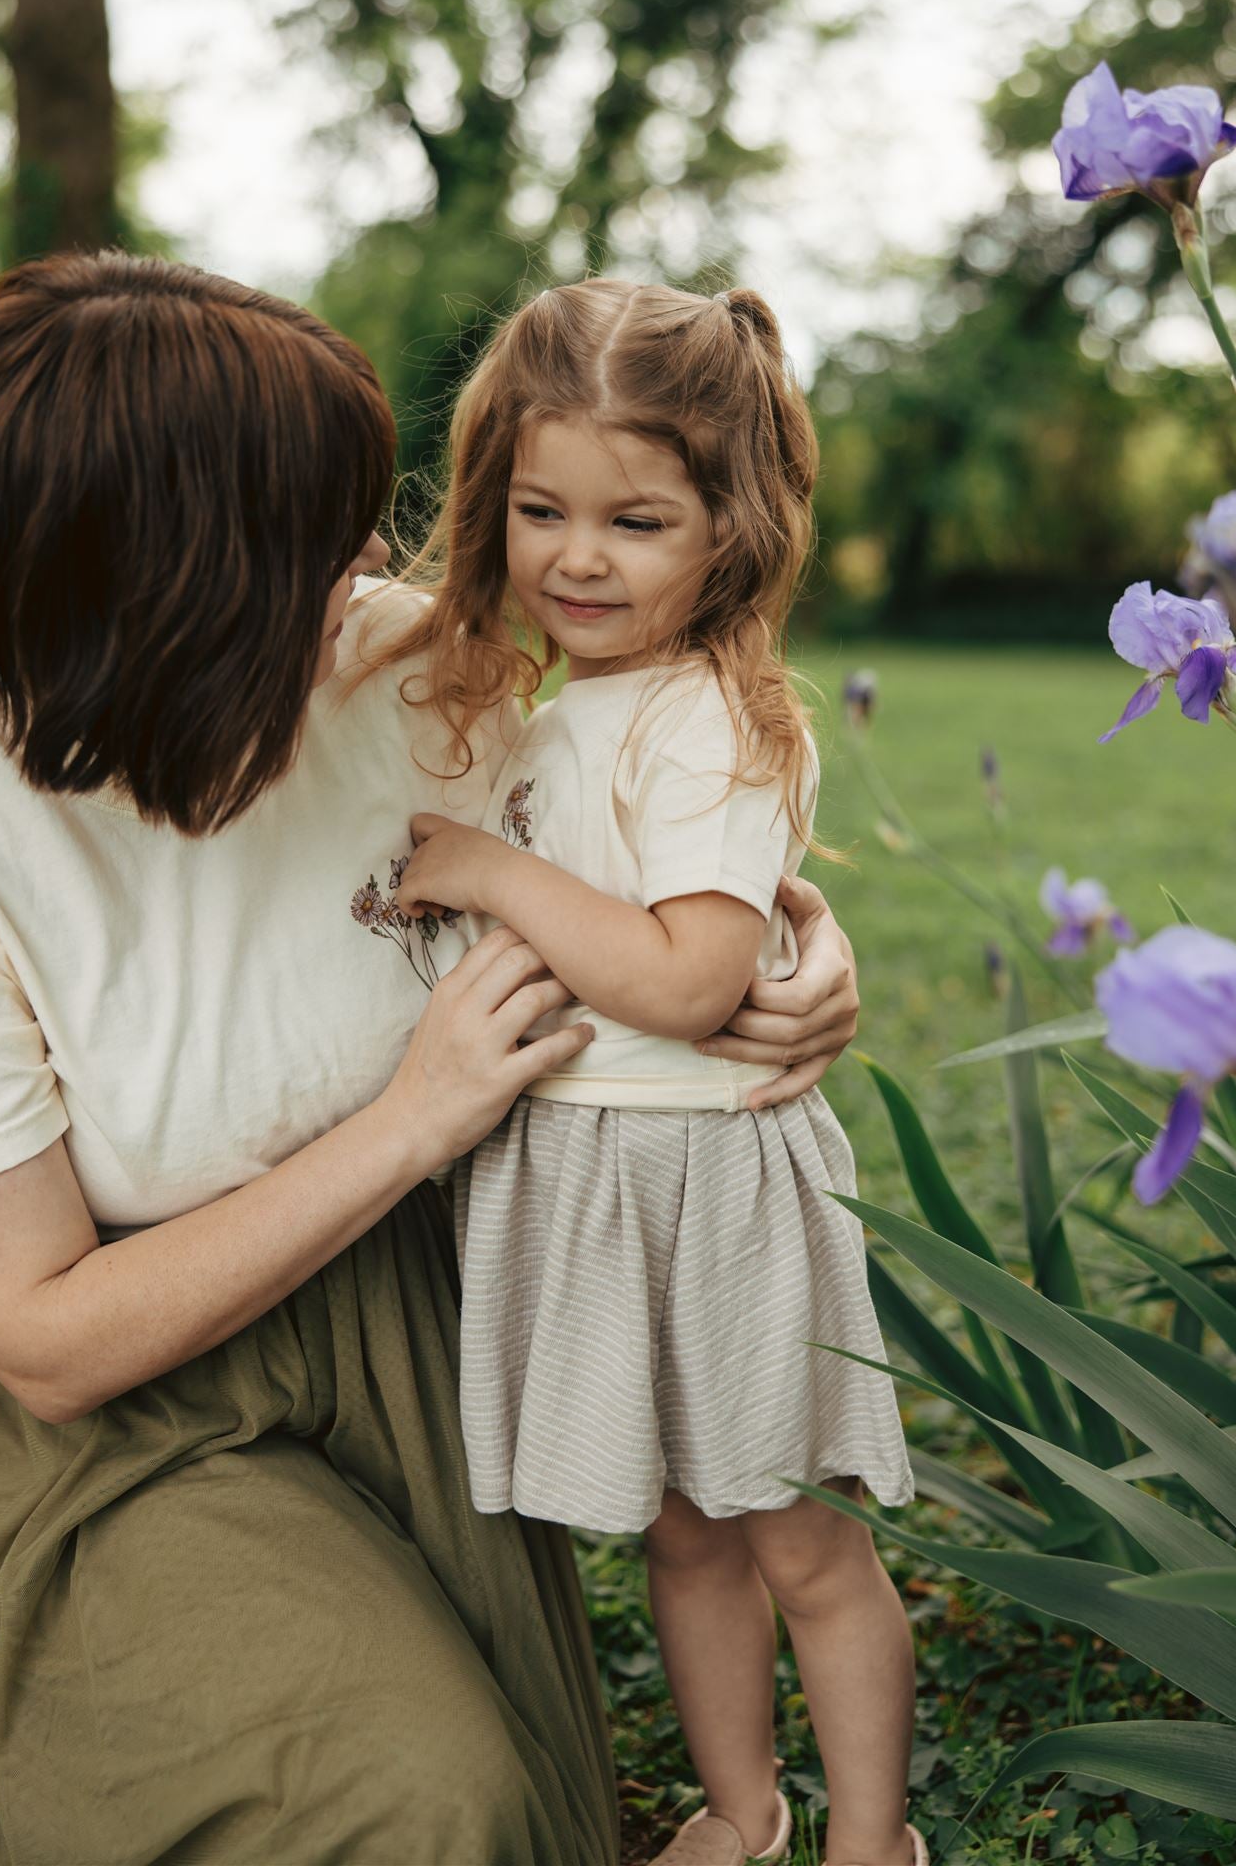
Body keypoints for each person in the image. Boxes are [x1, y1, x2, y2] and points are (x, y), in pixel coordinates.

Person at [0, 253, 866, 1866]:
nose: (374, 562)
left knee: (528, 1812)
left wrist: (798, 946)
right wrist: (416, 1117)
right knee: (415, 1804)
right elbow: (39, 1337)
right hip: (123, 1405)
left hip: (413, 1325)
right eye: (314, 536)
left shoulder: (400, 667)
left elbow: (658, 836)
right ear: (159, 582)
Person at [388, 279, 925, 1866]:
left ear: (729, 528)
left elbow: (690, 982)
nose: (575, 556)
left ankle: (870, 1841)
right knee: (685, 1539)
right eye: (541, 509)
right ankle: (746, 1813)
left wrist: (491, 874)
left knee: (802, 1545)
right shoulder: (582, 705)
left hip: (705, 1186)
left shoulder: (707, 719)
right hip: (600, 1183)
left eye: (634, 519)